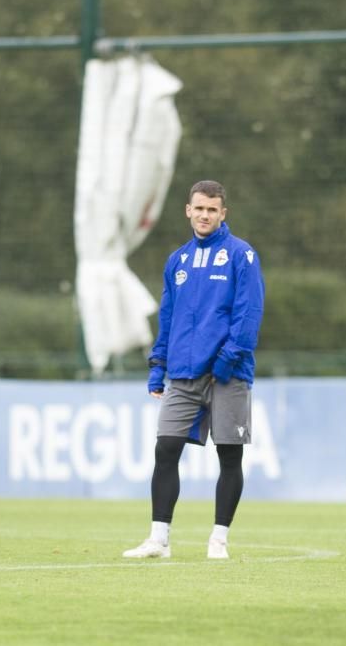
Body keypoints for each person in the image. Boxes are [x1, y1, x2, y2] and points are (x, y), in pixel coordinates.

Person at [123, 180, 265, 560]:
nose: (205, 215)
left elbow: (248, 314)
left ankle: (218, 539)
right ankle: (159, 539)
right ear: (188, 210)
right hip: (183, 375)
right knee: (165, 448)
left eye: (212, 209)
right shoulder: (178, 261)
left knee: (229, 456)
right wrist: (158, 366)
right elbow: (168, 319)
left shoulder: (241, 255)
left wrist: (227, 359)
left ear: (223, 213)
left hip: (228, 374)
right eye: (199, 208)